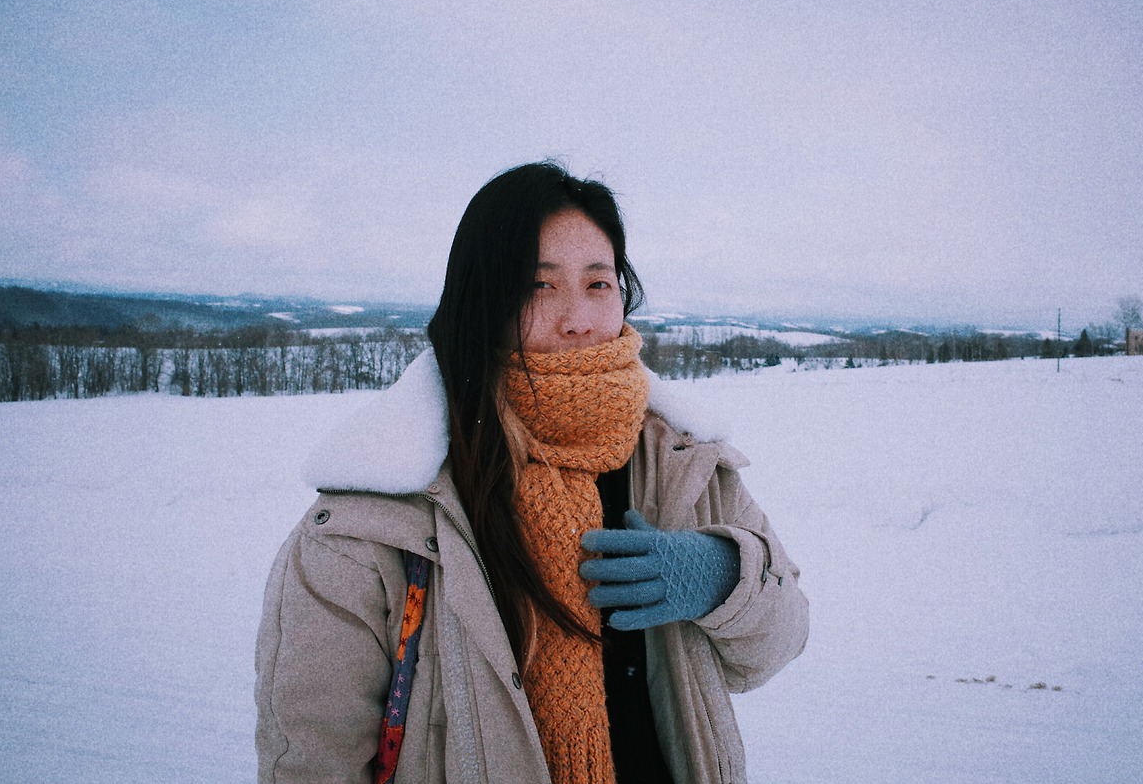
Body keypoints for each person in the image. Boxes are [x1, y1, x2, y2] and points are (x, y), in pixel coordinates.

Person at [254, 161, 808, 784]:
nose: (577, 318)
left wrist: (728, 577)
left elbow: (776, 648)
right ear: (482, 300)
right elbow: (314, 761)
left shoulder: (683, 462)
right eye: (539, 285)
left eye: (598, 283)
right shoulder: (375, 522)